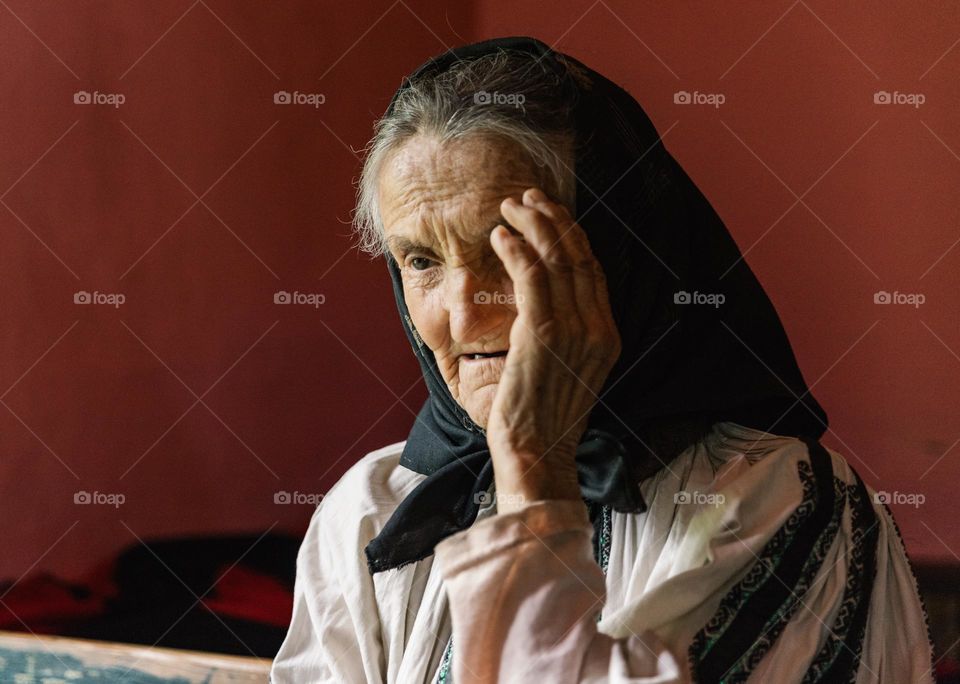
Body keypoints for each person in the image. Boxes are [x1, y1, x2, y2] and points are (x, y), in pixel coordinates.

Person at [269, 36, 935, 683]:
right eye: (420, 260)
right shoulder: (371, 509)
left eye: (508, 249)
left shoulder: (777, 498)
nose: (464, 313)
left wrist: (534, 462)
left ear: (618, 256)